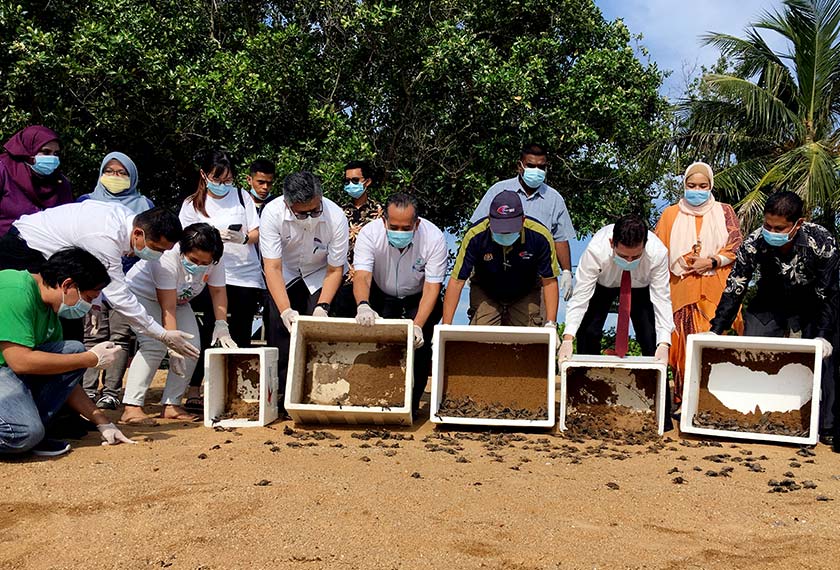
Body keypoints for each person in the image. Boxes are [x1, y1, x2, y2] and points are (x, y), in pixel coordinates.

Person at [708, 191, 839, 445]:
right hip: (770, 301)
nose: (771, 232)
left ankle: (828, 425)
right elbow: (736, 285)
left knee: (829, 357)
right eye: (768, 225)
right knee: (754, 351)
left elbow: (830, 291)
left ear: (798, 224)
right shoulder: (754, 241)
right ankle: (753, 415)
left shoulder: (822, 241)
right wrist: (717, 329)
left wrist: (823, 334)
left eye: (779, 228)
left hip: (815, 303)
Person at [0, 202, 197, 362]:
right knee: (37, 328)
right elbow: (119, 297)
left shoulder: (124, 221)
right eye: (157, 248)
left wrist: (93, 303)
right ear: (138, 233)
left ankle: (61, 390)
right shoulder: (106, 237)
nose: (158, 255)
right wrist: (161, 334)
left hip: (47, 255)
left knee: (70, 335)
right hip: (24, 251)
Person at [0, 248, 133, 457]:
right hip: (7, 367)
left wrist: (102, 421)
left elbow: (63, 378)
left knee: (71, 351)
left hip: (7, 370)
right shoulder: (15, 290)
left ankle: (31, 429)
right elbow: (20, 361)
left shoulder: (49, 310)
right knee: (23, 433)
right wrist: (89, 359)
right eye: (88, 297)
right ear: (68, 285)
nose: (88, 305)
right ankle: (24, 431)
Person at [120, 223, 234, 425]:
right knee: (154, 345)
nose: (199, 266)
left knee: (191, 348)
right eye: (193, 260)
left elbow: (218, 291)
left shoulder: (216, 260)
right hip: (144, 296)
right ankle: (132, 407)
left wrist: (221, 325)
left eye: (204, 263)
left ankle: (172, 404)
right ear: (182, 250)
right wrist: (172, 345)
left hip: (180, 300)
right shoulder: (166, 259)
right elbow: (168, 307)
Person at [179, 150, 264, 412]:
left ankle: (237, 391)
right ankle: (195, 387)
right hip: (207, 275)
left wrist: (243, 238)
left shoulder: (242, 197)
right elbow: (184, 239)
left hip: (244, 274)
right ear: (204, 175)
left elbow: (256, 231)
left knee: (240, 333)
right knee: (207, 331)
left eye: (228, 179)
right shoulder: (192, 204)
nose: (223, 185)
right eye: (218, 179)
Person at [653, 162, 743, 405]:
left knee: (717, 345)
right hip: (681, 291)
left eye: (703, 186)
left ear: (711, 185)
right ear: (684, 185)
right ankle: (684, 402)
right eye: (692, 185)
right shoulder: (670, 214)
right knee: (682, 347)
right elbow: (657, 251)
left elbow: (736, 246)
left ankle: (716, 404)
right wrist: (682, 260)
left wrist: (712, 261)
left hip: (717, 291)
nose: (697, 190)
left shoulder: (725, 211)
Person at [353, 192, 447, 411]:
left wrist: (418, 325)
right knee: (381, 343)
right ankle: (376, 396)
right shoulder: (369, 234)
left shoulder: (434, 238)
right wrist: (363, 305)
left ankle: (411, 405)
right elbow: (362, 276)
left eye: (406, 228)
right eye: (394, 227)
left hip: (418, 297)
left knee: (420, 346)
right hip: (381, 294)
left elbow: (432, 287)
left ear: (417, 224)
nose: (399, 233)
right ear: (384, 221)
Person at [76, 151, 155, 409]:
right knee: (92, 335)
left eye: (122, 173)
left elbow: (151, 245)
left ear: (132, 177)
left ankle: (111, 391)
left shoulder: (144, 205)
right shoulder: (86, 202)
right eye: (109, 171)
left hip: (128, 281)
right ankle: (87, 390)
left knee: (120, 337)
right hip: (90, 281)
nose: (115, 176)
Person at [260, 171, 349, 396]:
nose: (310, 218)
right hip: (286, 271)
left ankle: (316, 391)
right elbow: (272, 267)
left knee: (318, 331)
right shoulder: (272, 213)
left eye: (315, 211)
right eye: (302, 214)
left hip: (320, 273)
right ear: (288, 204)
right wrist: (285, 310)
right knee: (279, 328)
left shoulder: (336, 217)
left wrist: (323, 306)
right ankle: (280, 393)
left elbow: (335, 269)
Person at [560, 215, 673, 364]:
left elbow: (662, 299)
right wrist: (568, 339)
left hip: (641, 287)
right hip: (603, 284)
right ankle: (587, 375)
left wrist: (664, 343)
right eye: (623, 256)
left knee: (650, 335)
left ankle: (657, 376)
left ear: (645, 245)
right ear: (612, 243)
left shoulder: (658, 253)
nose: (629, 262)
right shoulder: (596, 250)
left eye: (636, 257)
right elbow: (581, 296)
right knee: (588, 331)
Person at [471, 143, 575, 302]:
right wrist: (469, 263)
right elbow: (476, 229)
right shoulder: (498, 191)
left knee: (536, 317)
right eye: (531, 166)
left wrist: (566, 271)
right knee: (485, 317)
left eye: (541, 167)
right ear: (520, 166)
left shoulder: (554, 199)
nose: (536, 171)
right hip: (494, 271)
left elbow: (560, 238)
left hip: (536, 276)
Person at [443, 191, 560, 333]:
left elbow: (549, 281)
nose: (505, 234)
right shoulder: (475, 236)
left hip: (526, 291)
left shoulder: (540, 236)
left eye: (510, 230)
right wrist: (445, 327)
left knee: (528, 338)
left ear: (523, 220)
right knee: (480, 337)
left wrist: (551, 323)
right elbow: (457, 281)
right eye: (500, 230)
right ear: (489, 220)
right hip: (486, 290)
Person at [0, 125, 72, 235]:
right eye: (46, 152)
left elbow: (68, 220)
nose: (52, 158)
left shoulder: (60, 183)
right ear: (28, 151)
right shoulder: (4, 171)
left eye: (56, 153)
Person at [333, 160, 383, 317]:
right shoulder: (338, 212)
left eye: (355, 180)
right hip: (343, 282)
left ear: (367, 182)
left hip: (373, 283)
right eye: (347, 181)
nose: (350, 184)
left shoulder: (381, 213)